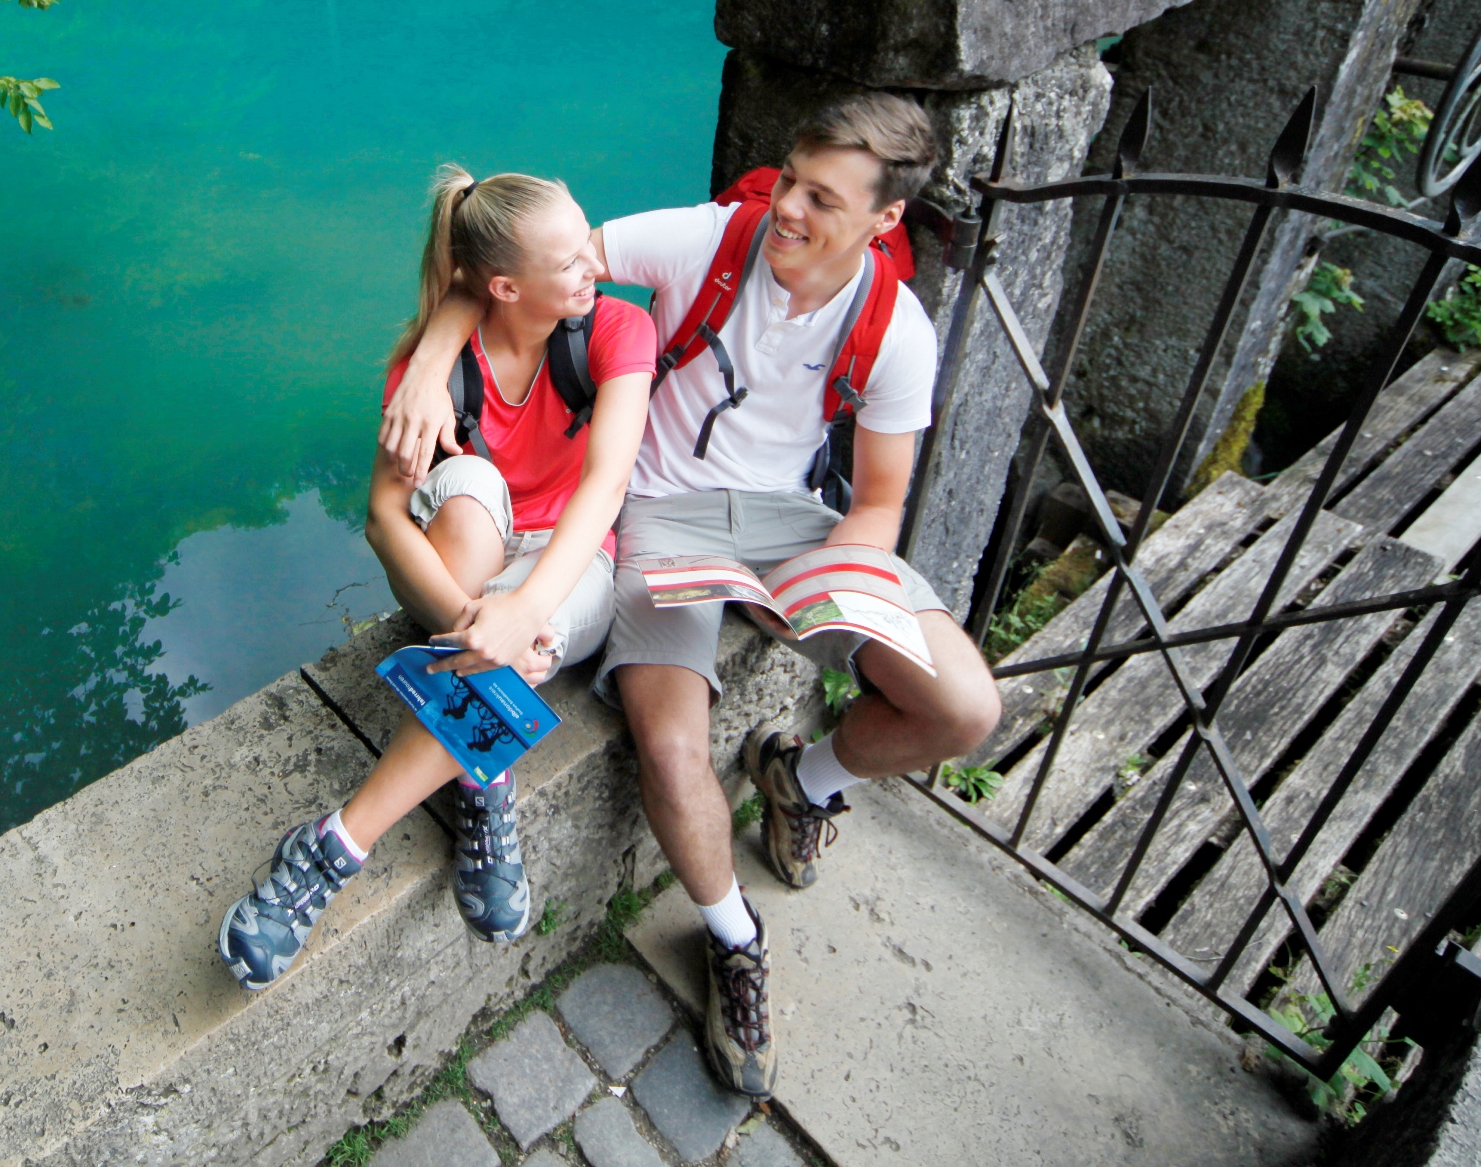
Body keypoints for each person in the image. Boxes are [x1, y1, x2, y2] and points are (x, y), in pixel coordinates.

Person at [381, 95, 1002, 1095]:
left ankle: (808, 779)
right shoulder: (709, 240)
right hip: (657, 520)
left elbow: (879, 501)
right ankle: (734, 937)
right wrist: (433, 355)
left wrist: (830, 584)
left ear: (886, 221)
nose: (787, 208)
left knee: (967, 705)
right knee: (670, 747)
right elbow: (516, 260)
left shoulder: (897, 333)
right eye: (790, 177)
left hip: (796, 524)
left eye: (821, 198)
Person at [218, 166, 655, 990]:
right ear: (502, 285)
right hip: (462, 558)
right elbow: (385, 517)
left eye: (583, 240)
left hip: (569, 556)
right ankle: (482, 768)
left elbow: (605, 486)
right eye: (565, 261)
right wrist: (474, 620)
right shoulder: (432, 373)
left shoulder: (616, 329)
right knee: (471, 487)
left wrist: (521, 610)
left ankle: (338, 841)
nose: (591, 264)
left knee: (532, 630)